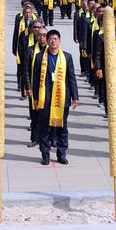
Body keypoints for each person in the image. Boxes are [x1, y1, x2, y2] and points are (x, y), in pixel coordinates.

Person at [32, 29, 79, 165]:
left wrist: (75, 97)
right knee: (44, 128)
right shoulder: (40, 57)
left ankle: (61, 154)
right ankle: (45, 154)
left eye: (55, 39)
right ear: (47, 41)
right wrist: (35, 97)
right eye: (51, 38)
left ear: (59, 41)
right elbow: (35, 79)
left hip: (62, 98)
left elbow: (72, 78)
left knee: (62, 128)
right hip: (45, 98)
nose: (53, 41)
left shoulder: (67, 57)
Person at [24, 25, 46, 147]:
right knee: (35, 115)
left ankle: (50, 139)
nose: (41, 37)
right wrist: (27, 87)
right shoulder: (31, 50)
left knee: (48, 114)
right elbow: (25, 70)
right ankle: (35, 138)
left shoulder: (52, 50)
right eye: (39, 35)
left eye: (44, 35)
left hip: (47, 88)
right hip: (34, 88)